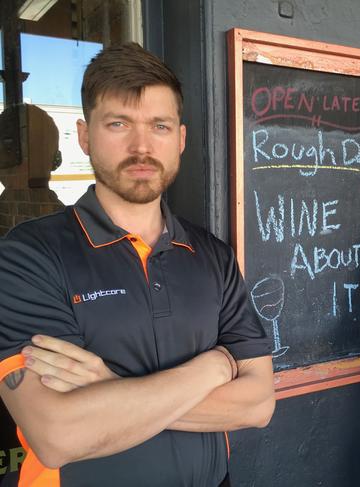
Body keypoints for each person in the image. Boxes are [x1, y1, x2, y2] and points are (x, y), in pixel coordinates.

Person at [0, 43, 275, 487]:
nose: (142, 145)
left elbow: (258, 405)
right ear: (85, 136)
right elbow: (58, 434)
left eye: (159, 126)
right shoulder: (28, 257)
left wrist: (113, 384)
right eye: (118, 124)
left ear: (180, 139)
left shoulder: (211, 256)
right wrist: (217, 367)